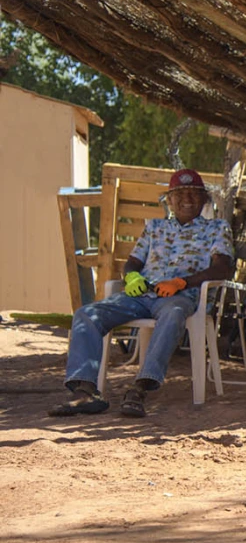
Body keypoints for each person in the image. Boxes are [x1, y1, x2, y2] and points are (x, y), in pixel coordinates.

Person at [49, 168, 235, 418]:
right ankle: (85, 391)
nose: (187, 199)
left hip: (180, 296)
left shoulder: (216, 228)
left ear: (204, 200)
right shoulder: (155, 227)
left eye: (194, 193)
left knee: (174, 314)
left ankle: (139, 389)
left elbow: (223, 267)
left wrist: (181, 282)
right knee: (86, 314)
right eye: (180, 194)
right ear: (169, 200)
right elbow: (133, 262)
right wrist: (131, 276)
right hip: (141, 295)